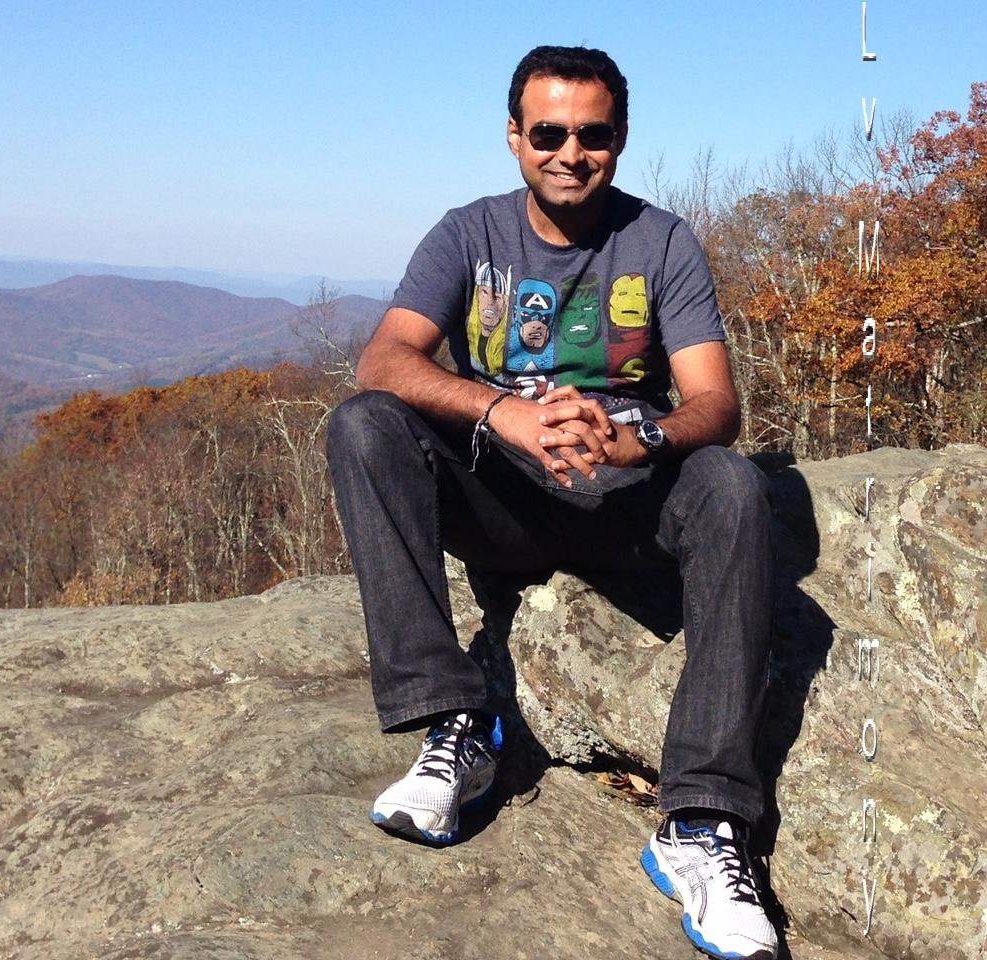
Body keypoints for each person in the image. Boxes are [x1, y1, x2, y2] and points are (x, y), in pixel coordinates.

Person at [326, 45, 778, 960]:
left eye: (592, 134)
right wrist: (505, 414)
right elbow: (383, 359)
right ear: (514, 137)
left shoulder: (661, 241)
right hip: (504, 500)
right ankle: (458, 720)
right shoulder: (469, 234)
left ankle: (700, 820)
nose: (571, 152)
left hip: (628, 502)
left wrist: (640, 438)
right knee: (363, 425)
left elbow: (716, 404)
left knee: (734, 484)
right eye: (548, 133)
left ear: (621, 138)